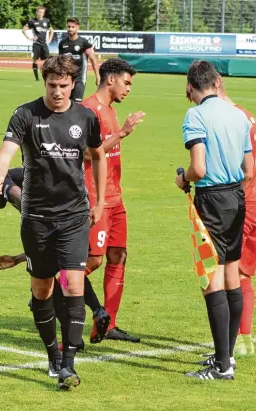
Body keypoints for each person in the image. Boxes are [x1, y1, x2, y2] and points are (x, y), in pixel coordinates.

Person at [0, 55, 107, 390]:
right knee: (42, 290)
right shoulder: (25, 113)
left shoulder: (85, 117)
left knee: (72, 284)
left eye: (63, 86)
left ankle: (68, 365)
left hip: (73, 215)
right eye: (52, 85)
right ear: (45, 82)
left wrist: (99, 201)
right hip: (37, 217)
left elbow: (98, 155)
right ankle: (53, 356)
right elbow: (5, 153)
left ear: (73, 84)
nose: (57, 92)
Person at [175, 60, 253, 380]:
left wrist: (184, 179)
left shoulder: (195, 115)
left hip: (212, 199)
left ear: (191, 87)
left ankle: (221, 366)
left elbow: (199, 168)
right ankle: (227, 356)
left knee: (212, 279)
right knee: (232, 275)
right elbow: (249, 171)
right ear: (217, 83)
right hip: (237, 196)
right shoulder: (238, 114)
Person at [0, 168, 108, 350]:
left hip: (71, 217)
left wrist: (23, 257)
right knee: (64, 273)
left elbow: (38, 224)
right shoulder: (17, 179)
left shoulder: (7, 185)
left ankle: (75, 337)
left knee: (49, 289)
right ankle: (96, 313)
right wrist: (19, 258)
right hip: (76, 209)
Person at [82, 58, 145, 343]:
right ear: (110, 80)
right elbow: (86, 153)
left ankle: (109, 324)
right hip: (96, 198)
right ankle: (50, 288)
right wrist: (122, 134)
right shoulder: (87, 110)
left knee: (118, 255)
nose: (128, 89)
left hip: (115, 198)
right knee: (92, 260)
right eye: (127, 83)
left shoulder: (109, 110)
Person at [217, 81, 256, 358]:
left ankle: (230, 343)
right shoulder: (248, 115)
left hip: (242, 203)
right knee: (242, 273)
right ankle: (243, 339)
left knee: (224, 275)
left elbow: (241, 169)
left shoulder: (231, 119)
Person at [58, 17, 100, 102]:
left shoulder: (84, 43)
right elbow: (59, 61)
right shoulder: (62, 43)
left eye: (73, 27)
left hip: (79, 79)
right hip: (66, 79)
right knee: (65, 104)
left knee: (77, 104)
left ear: (77, 28)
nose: (70, 29)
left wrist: (98, 76)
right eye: (68, 27)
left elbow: (93, 60)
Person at [22, 6, 54, 82]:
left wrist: (49, 39)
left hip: (44, 44)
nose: (41, 14)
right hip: (36, 44)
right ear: (36, 12)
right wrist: (29, 37)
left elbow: (51, 30)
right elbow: (23, 30)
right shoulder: (32, 21)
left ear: (44, 13)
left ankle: (46, 76)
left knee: (47, 61)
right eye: (39, 12)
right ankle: (36, 78)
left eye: (42, 12)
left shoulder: (47, 21)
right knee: (35, 60)